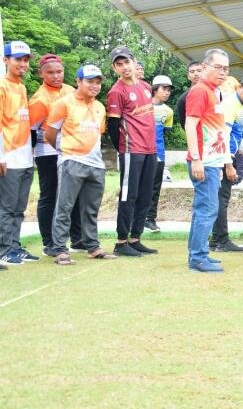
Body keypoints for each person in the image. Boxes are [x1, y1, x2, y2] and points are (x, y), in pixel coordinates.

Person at [44, 64, 115, 264]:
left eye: (98, 82)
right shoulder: (64, 103)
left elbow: (98, 133)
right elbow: (50, 134)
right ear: (78, 81)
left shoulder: (100, 106)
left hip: (96, 165)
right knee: (64, 207)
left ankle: (93, 247)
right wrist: (65, 151)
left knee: (91, 209)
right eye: (90, 81)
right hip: (71, 161)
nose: (95, 86)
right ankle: (60, 249)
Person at [28, 54, 82, 257]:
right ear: (41, 73)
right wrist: (33, 155)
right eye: (50, 72)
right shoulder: (39, 99)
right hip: (47, 154)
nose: (56, 76)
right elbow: (31, 131)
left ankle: (78, 238)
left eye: (59, 71)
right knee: (49, 196)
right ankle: (49, 242)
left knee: (74, 195)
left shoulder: (71, 91)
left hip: (71, 151)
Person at [184, 48, 233, 272]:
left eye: (226, 69)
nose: (222, 72)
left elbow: (217, 131)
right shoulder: (200, 91)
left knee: (203, 209)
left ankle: (198, 253)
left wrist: (222, 162)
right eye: (218, 67)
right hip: (203, 161)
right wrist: (196, 159)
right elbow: (190, 124)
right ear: (205, 67)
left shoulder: (215, 92)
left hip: (212, 161)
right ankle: (198, 258)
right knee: (208, 209)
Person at [106, 46, 158, 257]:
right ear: (114, 68)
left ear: (134, 62)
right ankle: (121, 242)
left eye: (127, 62)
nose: (124, 67)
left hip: (150, 149)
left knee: (146, 195)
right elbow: (112, 126)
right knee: (129, 195)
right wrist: (124, 148)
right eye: (119, 64)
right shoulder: (116, 91)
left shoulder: (146, 86)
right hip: (131, 150)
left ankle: (135, 238)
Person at [209, 73, 243, 252]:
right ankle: (222, 241)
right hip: (221, 158)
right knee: (221, 199)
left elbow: (235, 134)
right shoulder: (230, 104)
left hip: (228, 155)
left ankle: (215, 240)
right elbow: (222, 136)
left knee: (221, 198)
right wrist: (228, 165)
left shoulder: (241, 106)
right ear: (240, 87)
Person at [0, 40, 37, 266]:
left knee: (19, 207)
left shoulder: (21, 87)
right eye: (18, 59)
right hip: (9, 156)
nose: (23, 64)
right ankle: (4, 249)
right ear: (5, 60)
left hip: (25, 157)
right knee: (7, 207)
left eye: (25, 60)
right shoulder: (2, 86)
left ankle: (14, 246)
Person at [145, 75, 173, 233]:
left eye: (169, 89)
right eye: (164, 89)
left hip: (159, 154)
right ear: (155, 89)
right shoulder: (143, 106)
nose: (167, 92)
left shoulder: (168, 111)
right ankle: (136, 218)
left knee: (155, 188)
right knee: (140, 186)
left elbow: (164, 132)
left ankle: (150, 219)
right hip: (141, 152)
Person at [176, 61, 202, 129]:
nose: (196, 74)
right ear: (188, 76)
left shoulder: (215, 93)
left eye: (199, 71)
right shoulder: (183, 99)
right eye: (192, 72)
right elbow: (185, 126)